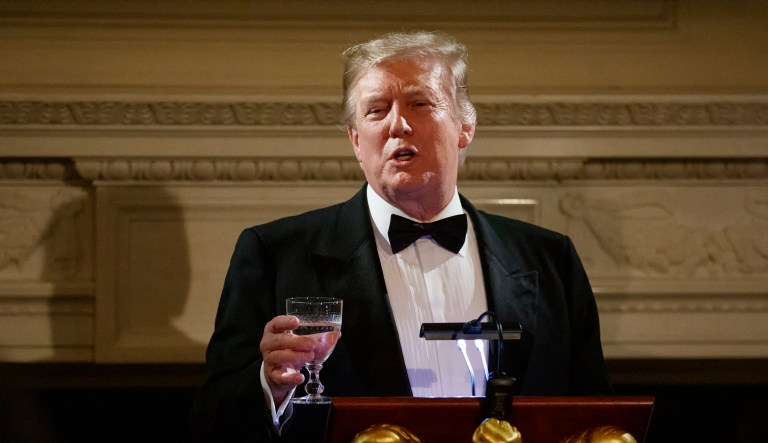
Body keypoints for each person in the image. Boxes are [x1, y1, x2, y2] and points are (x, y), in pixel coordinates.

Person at [191, 30, 611, 442]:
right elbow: (214, 417)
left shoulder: (550, 258)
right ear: (356, 140)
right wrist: (270, 384)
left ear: (465, 127)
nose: (398, 125)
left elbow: (594, 415)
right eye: (376, 111)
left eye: (420, 102)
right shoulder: (276, 254)